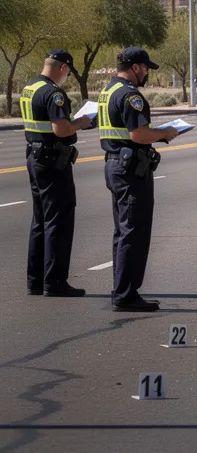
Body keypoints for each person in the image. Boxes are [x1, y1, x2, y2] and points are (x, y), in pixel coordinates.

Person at [99, 47, 179, 312]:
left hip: (115, 165)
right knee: (134, 230)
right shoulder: (131, 96)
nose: (147, 73)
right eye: (145, 68)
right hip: (130, 170)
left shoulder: (108, 90)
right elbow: (139, 134)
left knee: (123, 230)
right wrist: (165, 133)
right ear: (135, 67)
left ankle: (122, 289)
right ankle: (126, 294)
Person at [23, 49, 93, 297]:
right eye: (68, 72)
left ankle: (36, 281)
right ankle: (55, 282)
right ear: (63, 67)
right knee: (58, 221)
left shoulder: (30, 87)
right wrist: (80, 123)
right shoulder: (54, 93)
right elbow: (61, 129)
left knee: (40, 220)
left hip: (35, 156)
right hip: (52, 162)